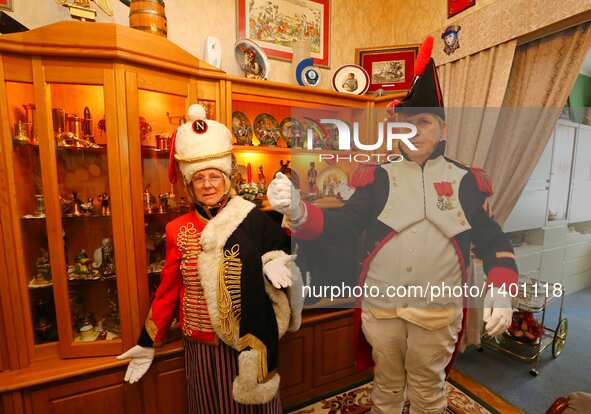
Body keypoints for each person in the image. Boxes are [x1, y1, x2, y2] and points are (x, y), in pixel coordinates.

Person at [266, 36, 517, 414]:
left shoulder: (467, 181)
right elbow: (344, 225)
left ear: (443, 130)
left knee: (428, 392)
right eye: (406, 124)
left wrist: (501, 286)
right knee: (385, 386)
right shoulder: (377, 177)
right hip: (381, 309)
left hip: (437, 312)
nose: (414, 131)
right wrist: (300, 210)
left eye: (424, 122)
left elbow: (491, 237)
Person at [117, 104, 303, 413]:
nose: (207, 185)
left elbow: (283, 251)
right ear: (189, 185)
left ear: (228, 178)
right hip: (200, 345)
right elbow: (168, 289)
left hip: (248, 337)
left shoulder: (251, 218)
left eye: (214, 176)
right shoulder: (178, 229)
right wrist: (149, 341)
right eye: (199, 178)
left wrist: (273, 260)